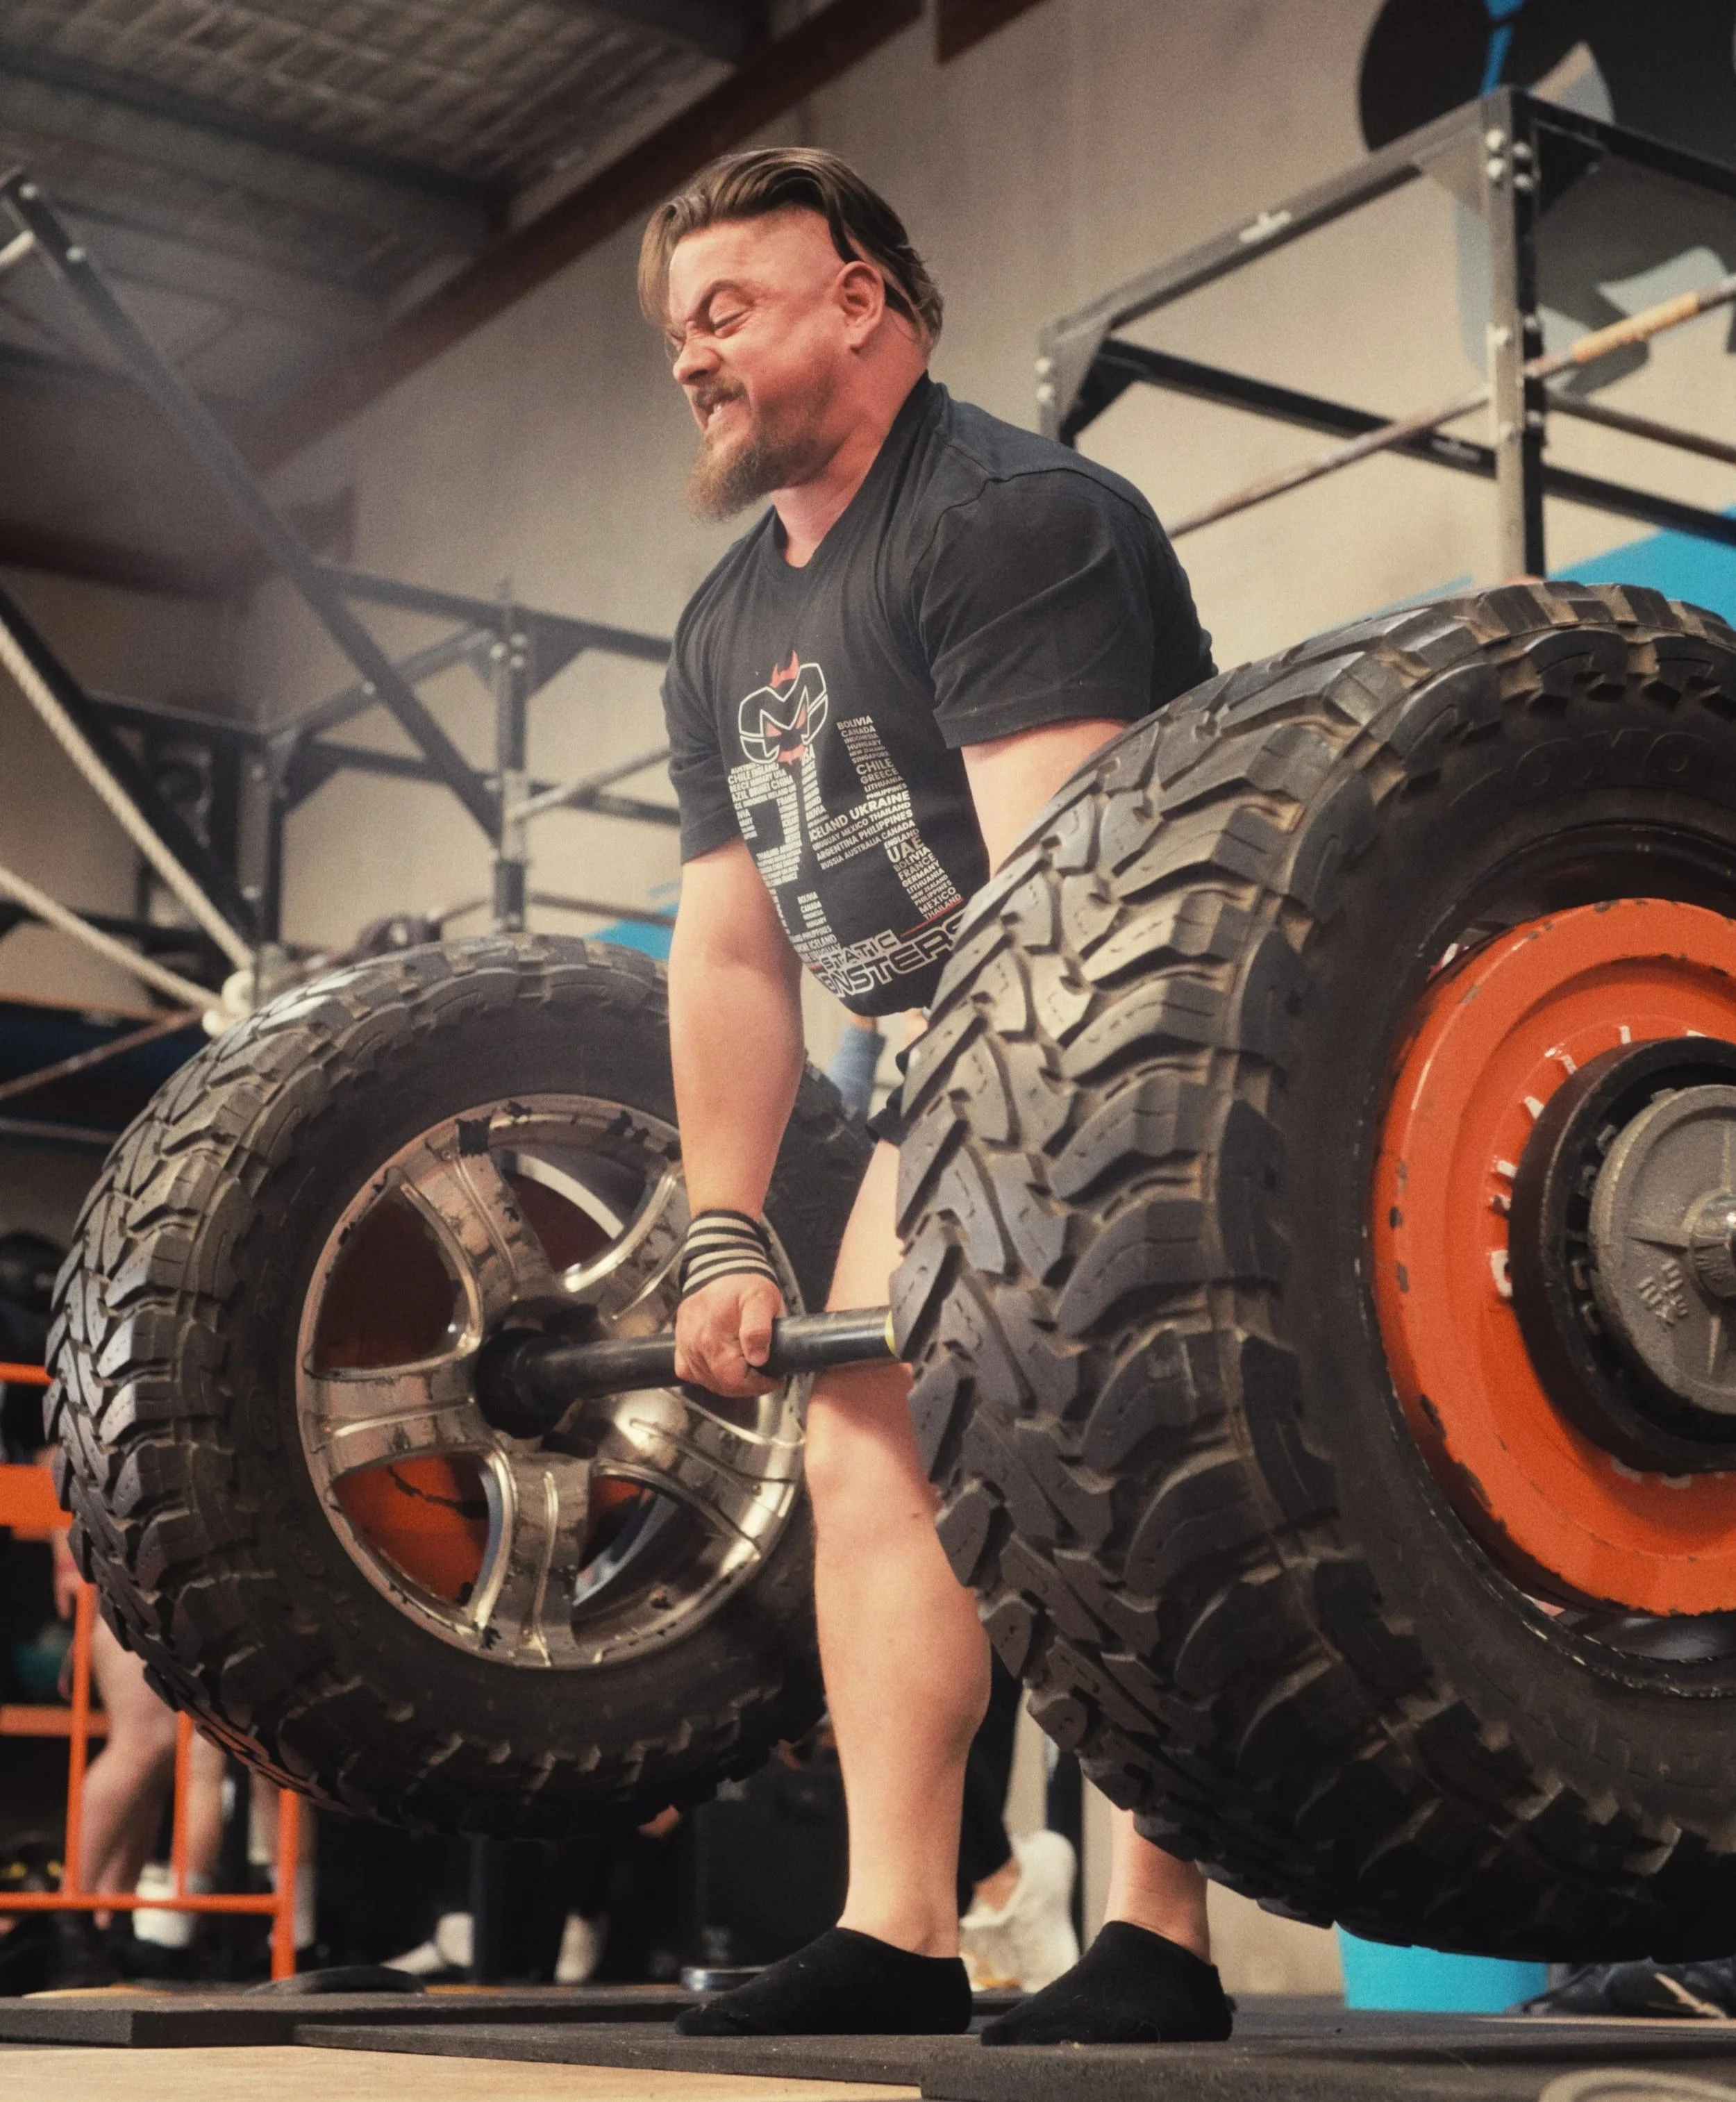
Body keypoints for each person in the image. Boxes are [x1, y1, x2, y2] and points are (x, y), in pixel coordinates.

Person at [646, 148, 1230, 2046]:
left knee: (1125, 1437)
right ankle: (895, 1925)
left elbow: (1062, 897)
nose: (692, 357)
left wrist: (961, 1166)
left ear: (860, 301)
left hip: (1152, 1039)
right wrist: (728, 1217)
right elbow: (735, 952)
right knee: (860, 1429)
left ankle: (1156, 1930)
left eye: (726, 308)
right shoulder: (722, 622)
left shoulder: (1005, 516)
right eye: (677, 330)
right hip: (947, 1061)